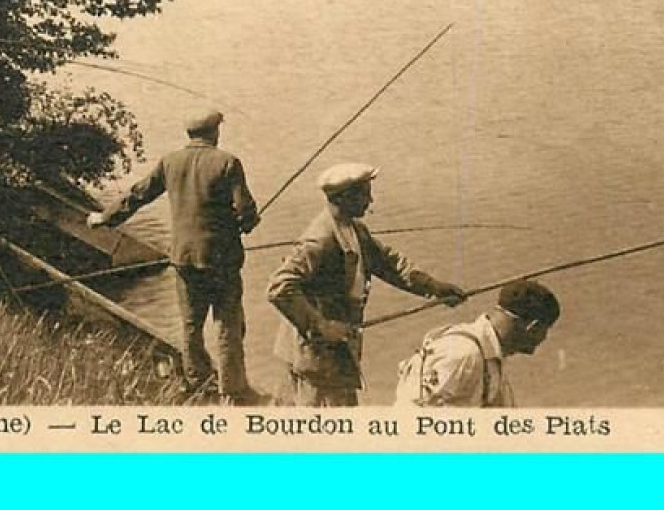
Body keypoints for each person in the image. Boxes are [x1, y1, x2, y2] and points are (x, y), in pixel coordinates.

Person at [88, 110, 259, 402]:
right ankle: (233, 389)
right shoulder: (228, 162)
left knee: (191, 325)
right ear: (215, 132)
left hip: (184, 259)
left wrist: (104, 217)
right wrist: (247, 221)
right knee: (228, 324)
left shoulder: (170, 162)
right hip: (222, 260)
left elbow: (138, 194)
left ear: (189, 134)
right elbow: (246, 213)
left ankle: (199, 383)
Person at [266, 162, 467, 407]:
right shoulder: (320, 240)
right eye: (364, 193)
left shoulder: (354, 229)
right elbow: (279, 287)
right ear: (343, 197)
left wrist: (433, 287)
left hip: (335, 350)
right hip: (316, 355)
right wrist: (320, 326)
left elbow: (390, 264)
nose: (371, 200)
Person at [393, 279, 561, 408]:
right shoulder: (464, 354)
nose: (544, 338)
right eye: (546, 329)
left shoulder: (488, 354)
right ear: (533, 327)